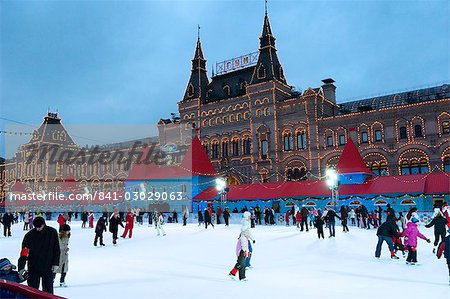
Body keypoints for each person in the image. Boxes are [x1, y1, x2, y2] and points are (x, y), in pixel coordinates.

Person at [18, 216, 60, 294]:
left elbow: (56, 249)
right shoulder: (29, 235)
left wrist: (56, 263)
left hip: (48, 266)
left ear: (44, 224)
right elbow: (24, 253)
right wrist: (21, 267)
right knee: (32, 290)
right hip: (34, 267)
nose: (38, 229)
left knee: (48, 290)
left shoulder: (52, 232)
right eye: (36, 227)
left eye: (39, 227)